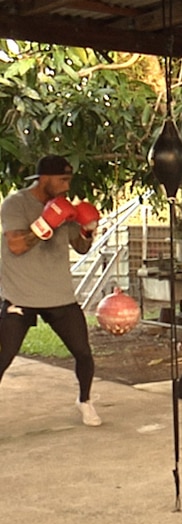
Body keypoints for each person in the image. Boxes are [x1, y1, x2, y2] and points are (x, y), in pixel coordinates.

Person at [0, 155, 103, 427]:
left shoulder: (65, 208)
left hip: (59, 295)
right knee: (3, 356)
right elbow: (16, 246)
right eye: (63, 180)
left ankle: (85, 401)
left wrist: (88, 230)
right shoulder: (16, 204)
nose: (67, 186)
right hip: (19, 295)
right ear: (44, 179)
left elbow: (81, 248)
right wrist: (46, 223)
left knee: (83, 353)